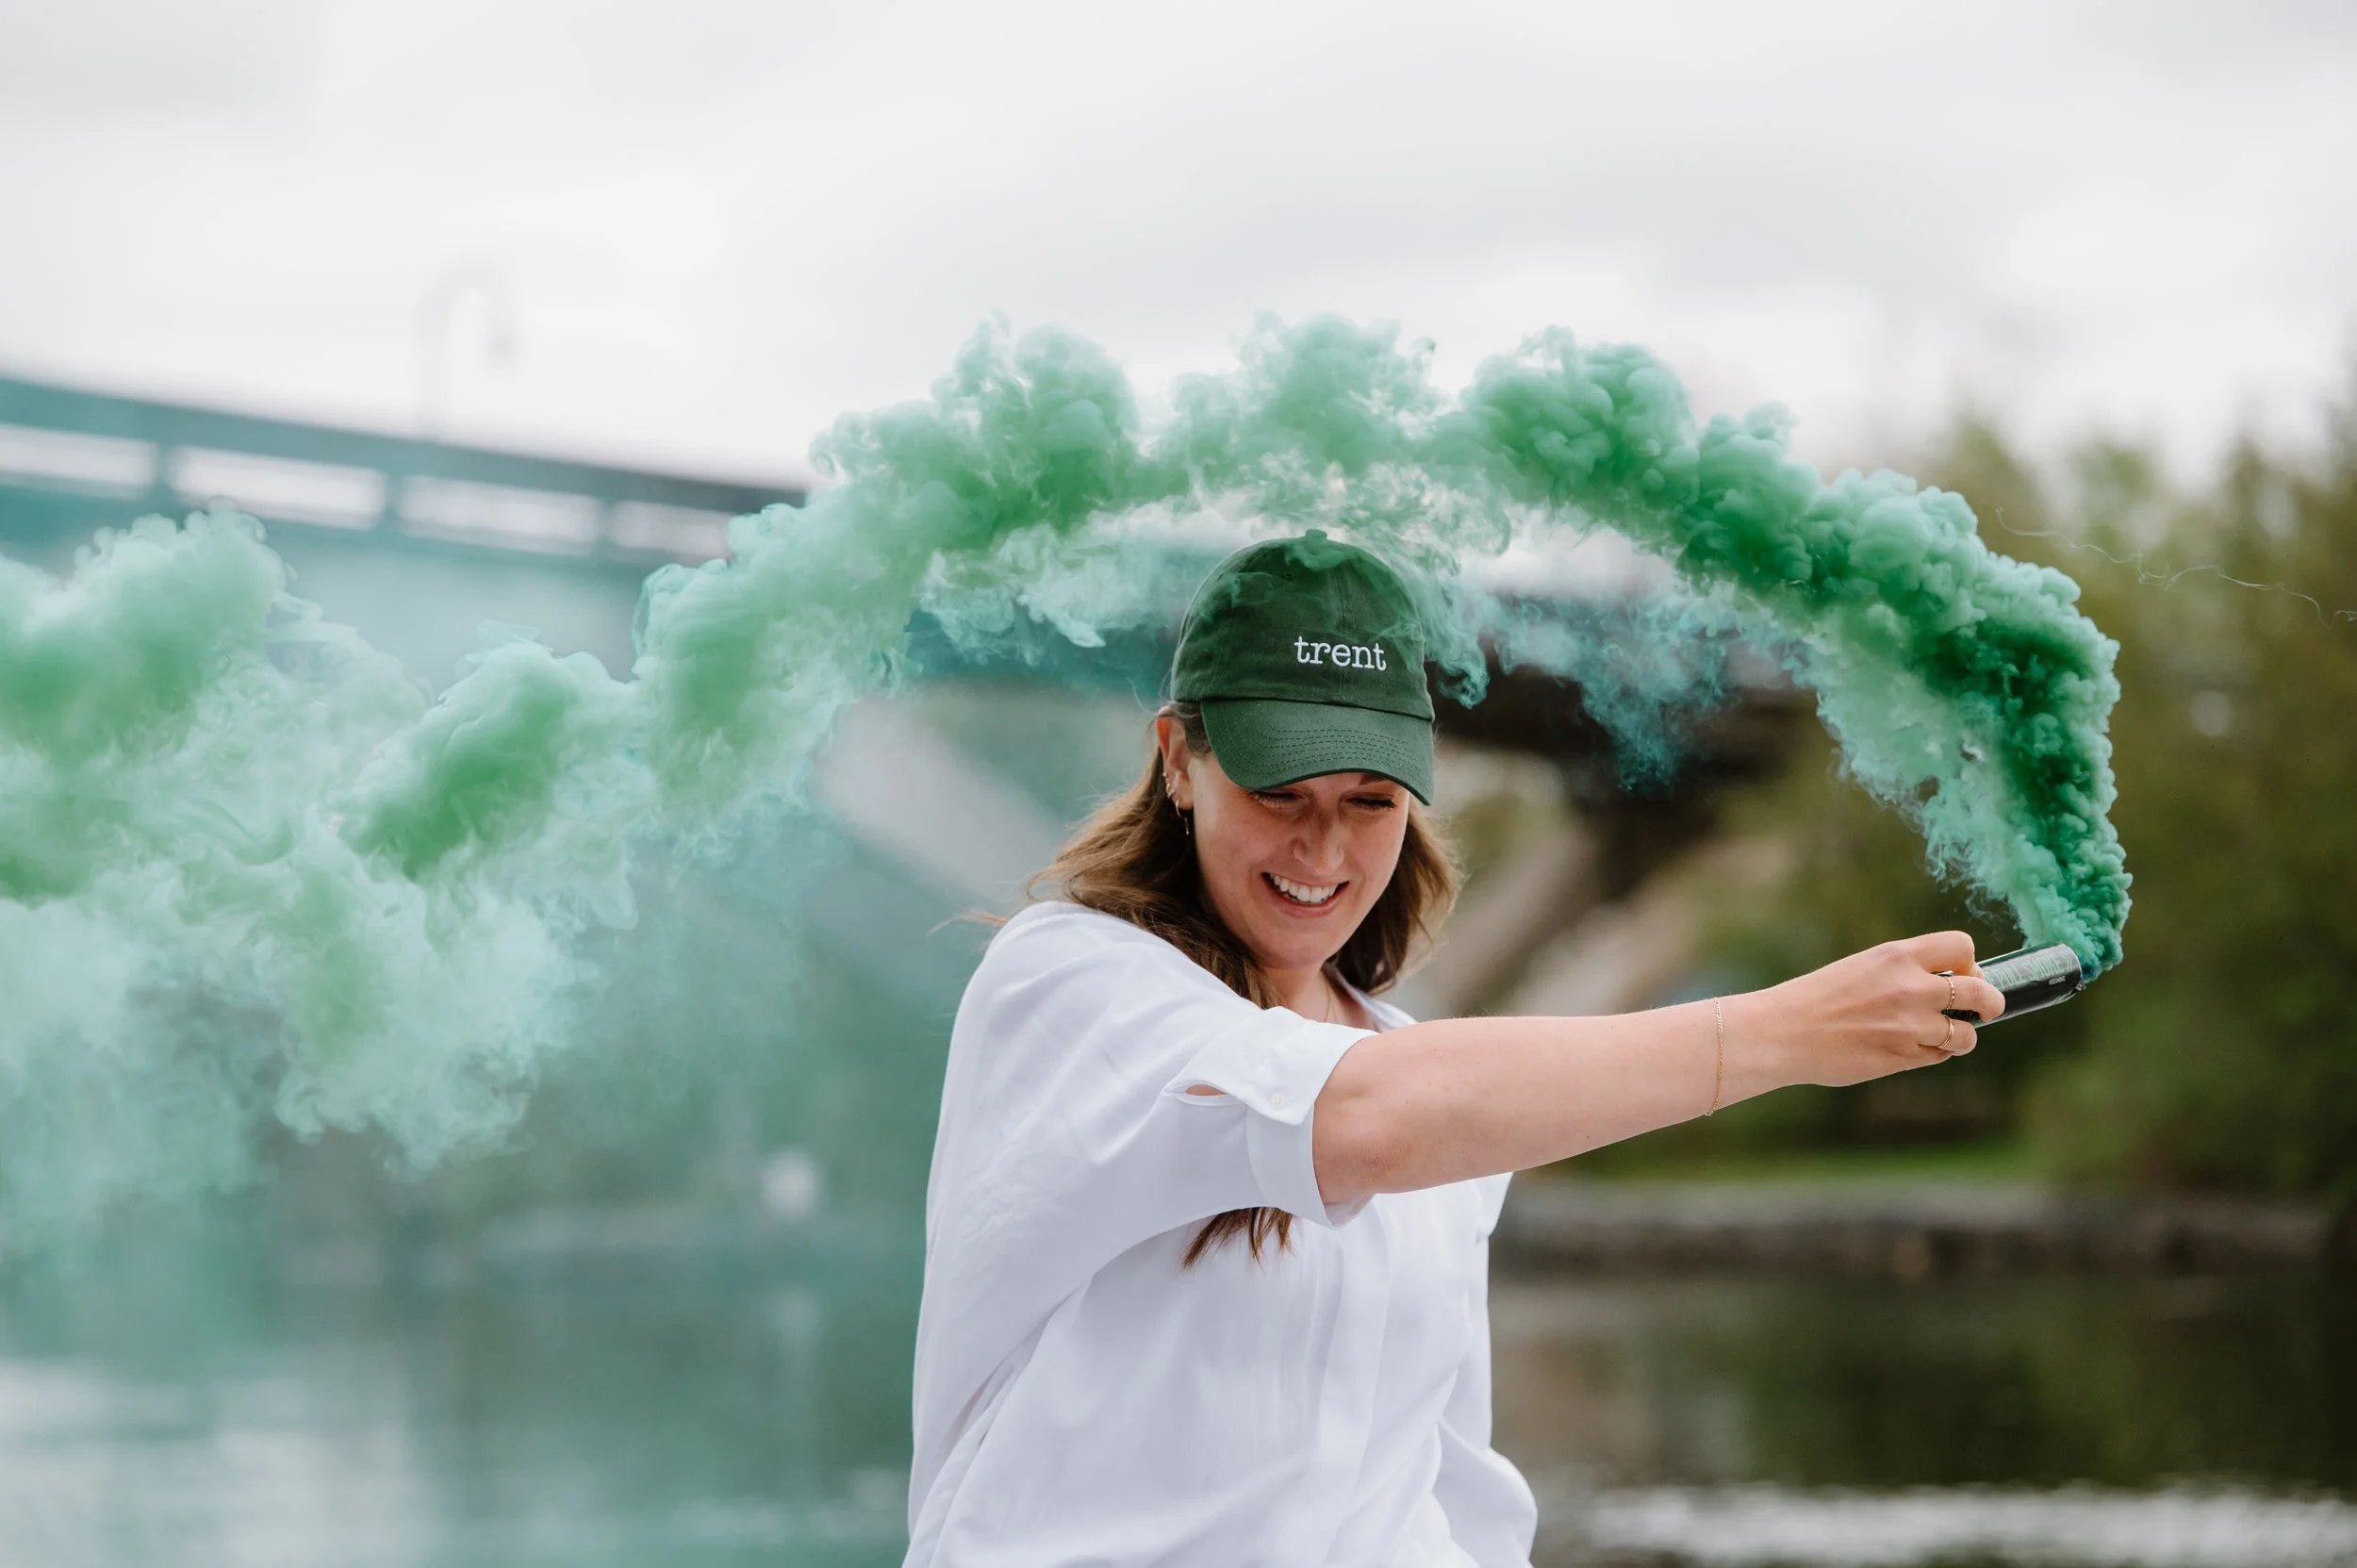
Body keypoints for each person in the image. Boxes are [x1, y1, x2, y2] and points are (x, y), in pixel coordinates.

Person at [902, 531, 2004, 1566]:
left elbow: (1448, 1490)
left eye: (1370, 800)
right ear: (1177, 760)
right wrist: (1782, 1032)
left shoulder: (1426, 1077)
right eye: (1278, 793)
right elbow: (1358, 1119)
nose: (1322, 848)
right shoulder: (1067, 984)